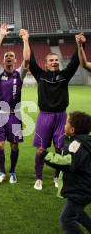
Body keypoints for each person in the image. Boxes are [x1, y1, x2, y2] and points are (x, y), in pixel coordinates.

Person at [23, 31, 81, 190]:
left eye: (56, 60)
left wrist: (79, 44)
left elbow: (75, 62)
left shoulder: (64, 75)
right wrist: (26, 40)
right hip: (45, 117)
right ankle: (39, 178)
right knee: (41, 149)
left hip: (61, 117)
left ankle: (57, 177)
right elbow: (31, 61)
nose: (55, 62)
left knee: (60, 149)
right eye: (51, 60)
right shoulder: (40, 75)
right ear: (46, 63)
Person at [0, 24, 29, 184]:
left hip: (14, 116)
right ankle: (1, 172)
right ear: (4, 60)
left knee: (14, 146)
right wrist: (1, 35)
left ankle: (12, 172)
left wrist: (25, 40)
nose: (9, 58)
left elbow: (27, 59)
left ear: (15, 59)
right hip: (0, 115)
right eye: (6, 56)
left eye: (11, 56)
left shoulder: (20, 73)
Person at [42, 111, 91, 233]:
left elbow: (66, 162)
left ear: (73, 130)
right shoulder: (86, 142)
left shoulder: (76, 145)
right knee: (77, 213)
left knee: (66, 219)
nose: (64, 125)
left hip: (80, 190)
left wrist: (46, 155)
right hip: (85, 187)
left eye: (67, 123)